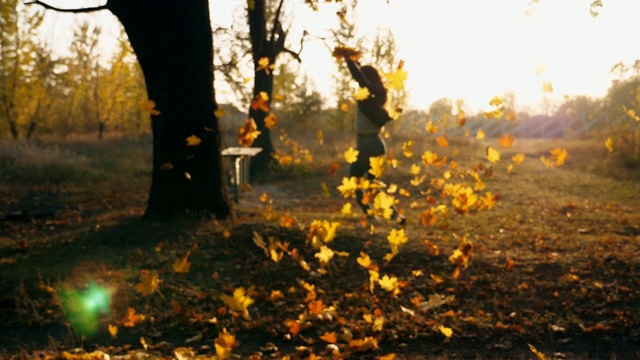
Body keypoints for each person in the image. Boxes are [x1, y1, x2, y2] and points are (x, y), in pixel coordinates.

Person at [340, 53, 405, 227]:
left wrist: (348, 61)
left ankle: (383, 217)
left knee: (362, 185)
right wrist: (355, 62)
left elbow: (359, 78)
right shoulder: (373, 96)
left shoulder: (367, 95)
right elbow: (362, 78)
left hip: (368, 146)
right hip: (373, 145)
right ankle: (389, 217)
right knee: (367, 186)